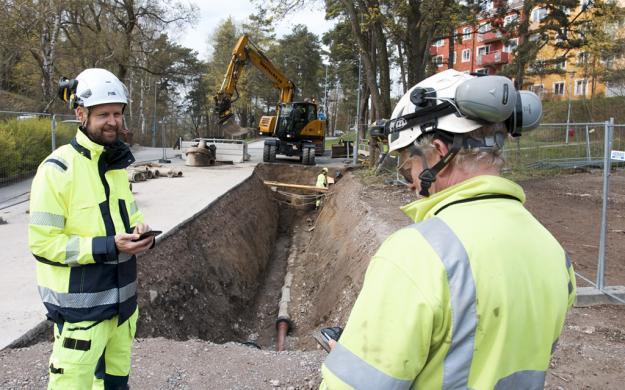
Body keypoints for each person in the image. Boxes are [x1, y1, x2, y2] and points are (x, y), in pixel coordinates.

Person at [320, 69, 576, 389]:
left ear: (438, 153)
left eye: (407, 168)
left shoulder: (417, 255)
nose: (411, 184)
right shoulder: (554, 253)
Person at [29, 68, 155, 389]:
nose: (113, 121)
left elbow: (133, 218)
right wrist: (109, 245)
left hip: (122, 315)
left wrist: (142, 236)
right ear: (81, 114)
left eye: (117, 113)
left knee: (114, 384)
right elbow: (44, 244)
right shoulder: (57, 170)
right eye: (103, 115)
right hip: (81, 318)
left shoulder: (115, 168)